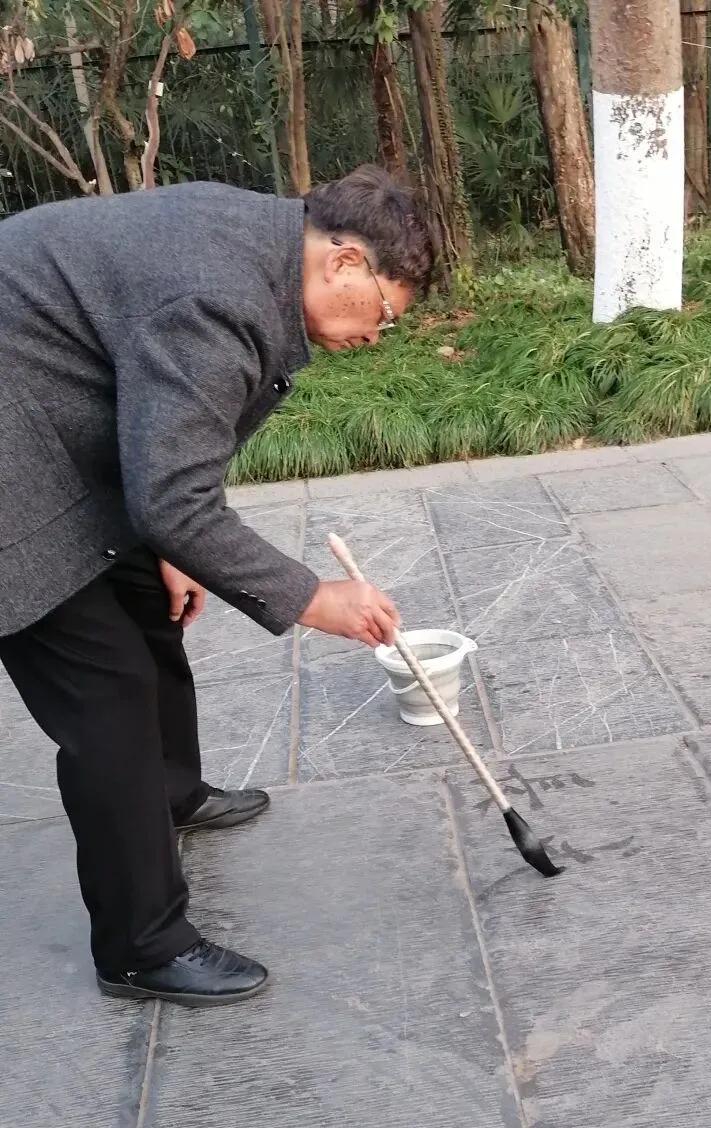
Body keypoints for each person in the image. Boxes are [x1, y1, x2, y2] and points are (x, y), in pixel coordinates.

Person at [0, 165, 435, 1007]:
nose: (377, 337)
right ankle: (140, 946)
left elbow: (169, 467)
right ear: (346, 262)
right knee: (107, 691)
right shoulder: (218, 296)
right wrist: (314, 598)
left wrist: (170, 536)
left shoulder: (259, 244)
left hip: (41, 406)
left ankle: (169, 793)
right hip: (14, 463)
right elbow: (171, 500)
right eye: (383, 315)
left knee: (148, 592)